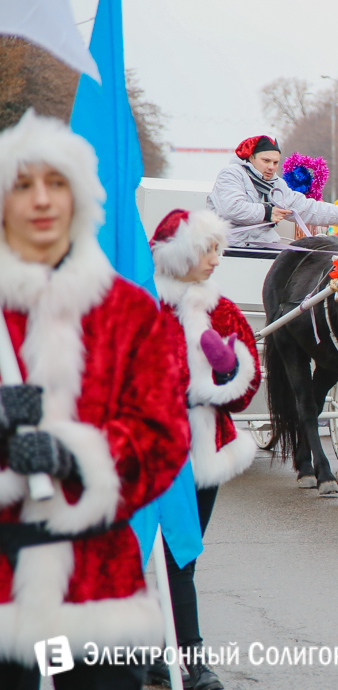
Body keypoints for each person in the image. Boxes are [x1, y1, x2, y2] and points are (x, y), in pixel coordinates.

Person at [0, 111, 191, 690]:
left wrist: (78, 456)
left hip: (99, 585)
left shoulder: (128, 312)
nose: (41, 199)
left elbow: (165, 434)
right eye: (23, 183)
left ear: (79, 198)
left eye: (56, 183)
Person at [147, 209, 262, 690]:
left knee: (182, 558)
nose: (217, 259)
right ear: (181, 255)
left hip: (206, 455)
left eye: (219, 249)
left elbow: (247, 388)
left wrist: (228, 371)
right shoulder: (144, 309)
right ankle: (185, 662)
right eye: (207, 250)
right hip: (153, 455)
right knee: (154, 558)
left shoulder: (224, 311)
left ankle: (174, 660)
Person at [206, 135, 338, 246]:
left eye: (275, 162)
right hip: (231, 246)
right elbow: (231, 208)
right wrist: (267, 212)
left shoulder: (277, 184)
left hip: (264, 246)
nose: (271, 167)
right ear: (251, 158)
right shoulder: (231, 173)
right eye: (266, 161)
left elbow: (306, 208)